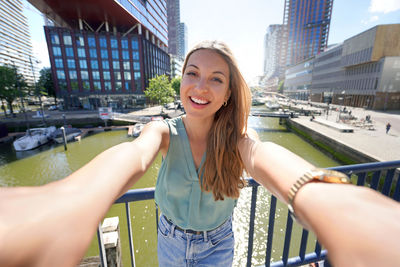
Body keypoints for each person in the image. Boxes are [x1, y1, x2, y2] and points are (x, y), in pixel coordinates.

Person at [1, 41, 400, 267]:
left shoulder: (236, 140)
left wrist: (326, 194)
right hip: (171, 241)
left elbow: (264, 157)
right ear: (181, 80)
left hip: (218, 245)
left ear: (228, 94)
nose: (200, 85)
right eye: (192, 72)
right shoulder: (163, 131)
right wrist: (74, 198)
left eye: (215, 78)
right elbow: (134, 155)